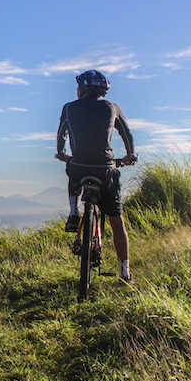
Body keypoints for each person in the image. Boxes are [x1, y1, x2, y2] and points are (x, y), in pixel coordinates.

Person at [56, 69, 136, 282]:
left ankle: (73, 212)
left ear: (81, 89)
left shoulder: (69, 108)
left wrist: (62, 153)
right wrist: (130, 155)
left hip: (79, 167)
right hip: (106, 170)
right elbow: (126, 134)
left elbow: (61, 134)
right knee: (117, 221)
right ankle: (125, 273)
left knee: (71, 169)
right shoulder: (113, 108)